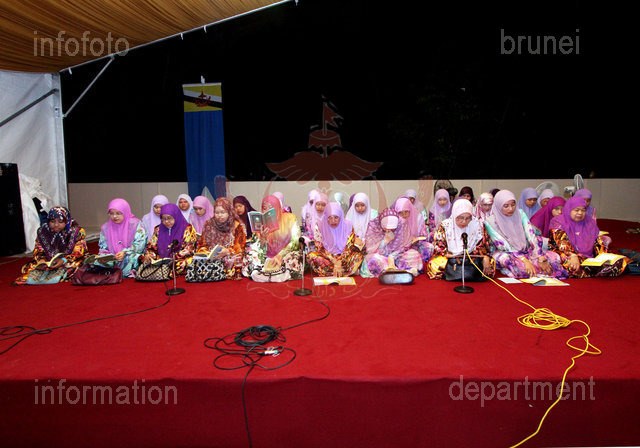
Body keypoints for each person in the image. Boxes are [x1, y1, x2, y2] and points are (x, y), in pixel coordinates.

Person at [484, 190, 567, 279]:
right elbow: (503, 245)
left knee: (554, 257)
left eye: (513, 204)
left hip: (527, 250)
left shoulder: (520, 213)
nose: (511, 209)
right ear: (498, 205)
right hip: (507, 252)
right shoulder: (490, 221)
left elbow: (530, 235)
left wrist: (540, 257)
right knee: (505, 259)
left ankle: (531, 268)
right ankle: (528, 268)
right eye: (506, 206)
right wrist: (524, 260)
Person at [549, 196, 628, 278]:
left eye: (583, 210)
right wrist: (572, 255)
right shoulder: (558, 221)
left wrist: (602, 257)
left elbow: (597, 241)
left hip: (589, 258)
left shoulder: (589, 222)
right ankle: (598, 270)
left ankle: (595, 269)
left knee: (618, 262)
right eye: (576, 210)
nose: (580, 213)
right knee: (567, 264)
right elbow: (561, 242)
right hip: (567, 254)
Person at [15, 206, 88, 284]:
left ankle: (53, 274)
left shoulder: (76, 231)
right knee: (29, 266)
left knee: (78, 265)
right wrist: (42, 261)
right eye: (52, 221)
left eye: (60, 222)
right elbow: (39, 249)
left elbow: (79, 252)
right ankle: (55, 274)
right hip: (49, 261)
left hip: (69, 260)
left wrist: (63, 260)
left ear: (67, 221)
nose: (56, 225)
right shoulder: (43, 231)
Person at [426, 198, 494, 279]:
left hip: (472, 257)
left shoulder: (477, 225)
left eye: (468, 218)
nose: (464, 221)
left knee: (490, 263)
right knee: (434, 264)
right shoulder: (445, 225)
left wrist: (484, 257)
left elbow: (483, 245)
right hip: (451, 257)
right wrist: (449, 254)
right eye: (460, 218)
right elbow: (439, 245)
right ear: (455, 214)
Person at [242, 195, 303, 282]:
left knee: (294, 257)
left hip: (284, 256)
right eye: (264, 208)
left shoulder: (290, 219)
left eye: (271, 208)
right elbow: (255, 246)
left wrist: (280, 255)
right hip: (265, 257)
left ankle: (284, 274)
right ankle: (258, 273)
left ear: (277, 207)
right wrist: (262, 239)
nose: (267, 211)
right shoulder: (259, 222)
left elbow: (295, 242)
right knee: (250, 255)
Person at [360, 208, 424, 278]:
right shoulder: (374, 227)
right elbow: (371, 250)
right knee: (372, 258)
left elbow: (406, 245)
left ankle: (406, 270)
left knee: (414, 253)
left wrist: (392, 256)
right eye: (386, 229)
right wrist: (385, 241)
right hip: (382, 257)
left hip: (398, 256)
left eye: (393, 229)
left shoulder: (402, 224)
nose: (389, 230)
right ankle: (393, 271)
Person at [307, 202, 365, 277]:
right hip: (328, 257)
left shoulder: (348, 226)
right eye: (330, 218)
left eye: (336, 217)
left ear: (340, 216)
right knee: (311, 256)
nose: (333, 221)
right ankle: (343, 271)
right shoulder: (320, 226)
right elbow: (320, 247)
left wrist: (340, 261)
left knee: (358, 256)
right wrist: (334, 261)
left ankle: (331, 272)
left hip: (344, 258)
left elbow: (349, 246)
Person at [197, 197, 247, 278]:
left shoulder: (237, 225)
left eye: (223, 212)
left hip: (229, 255)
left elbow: (240, 247)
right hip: (211, 257)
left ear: (229, 212)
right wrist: (208, 253)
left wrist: (227, 251)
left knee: (237, 260)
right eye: (217, 212)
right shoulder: (208, 224)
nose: (219, 215)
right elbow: (202, 245)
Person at [97, 198, 147, 278]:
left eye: (118, 213)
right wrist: (109, 256)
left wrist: (124, 252)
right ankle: (114, 272)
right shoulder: (105, 228)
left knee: (135, 259)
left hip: (129, 255)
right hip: (113, 258)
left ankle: (121, 273)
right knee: (98, 261)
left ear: (125, 212)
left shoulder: (136, 224)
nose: (115, 216)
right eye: (111, 213)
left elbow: (140, 245)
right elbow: (103, 248)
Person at [143, 203, 197, 275]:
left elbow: (189, 249)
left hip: (179, 260)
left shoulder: (187, 228)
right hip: (161, 261)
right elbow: (152, 247)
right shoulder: (158, 229)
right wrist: (150, 256)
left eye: (169, 218)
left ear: (176, 216)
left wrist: (172, 258)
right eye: (163, 219)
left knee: (185, 263)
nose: (166, 222)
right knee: (146, 261)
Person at [394, 197, 433, 263]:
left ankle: (421, 264)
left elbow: (424, 236)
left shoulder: (418, 218)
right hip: (401, 248)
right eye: (400, 213)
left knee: (429, 247)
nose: (404, 215)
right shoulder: (395, 221)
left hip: (416, 245)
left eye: (406, 211)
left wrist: (416, 239)